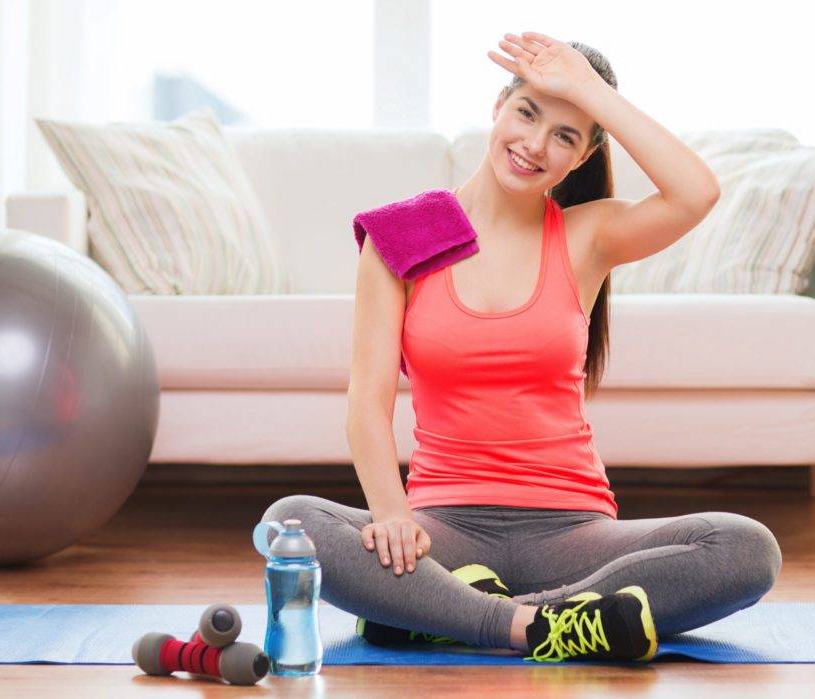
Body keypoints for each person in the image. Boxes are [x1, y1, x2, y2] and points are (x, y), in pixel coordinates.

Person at [261, 32, 781, 663]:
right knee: (293, 523)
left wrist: (586, 89)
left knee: (745, 548)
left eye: (565, 135)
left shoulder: (589, 237)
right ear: (498, 106)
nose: (535, 144)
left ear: (583, 155)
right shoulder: (404, 236)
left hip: (573, 530)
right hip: (442, 528)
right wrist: (393, 515)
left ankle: (450, 612)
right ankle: (537, 627)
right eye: (528, 113)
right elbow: (365, 402)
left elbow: (696, 192)